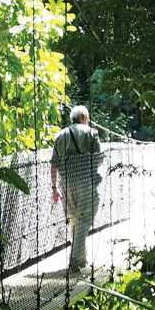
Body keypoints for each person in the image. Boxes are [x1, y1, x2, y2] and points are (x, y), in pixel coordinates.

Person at [50, 104, 105, 272]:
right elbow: (98, 159)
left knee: (74, 220)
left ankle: (82, 259)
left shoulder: (60, 135)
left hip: (65, 184)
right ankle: (75, 261)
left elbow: (54, 164)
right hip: (85, 183)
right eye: (87, 119)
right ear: (84, 118)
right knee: (85, 219)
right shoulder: (91, 133)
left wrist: (54, 188)